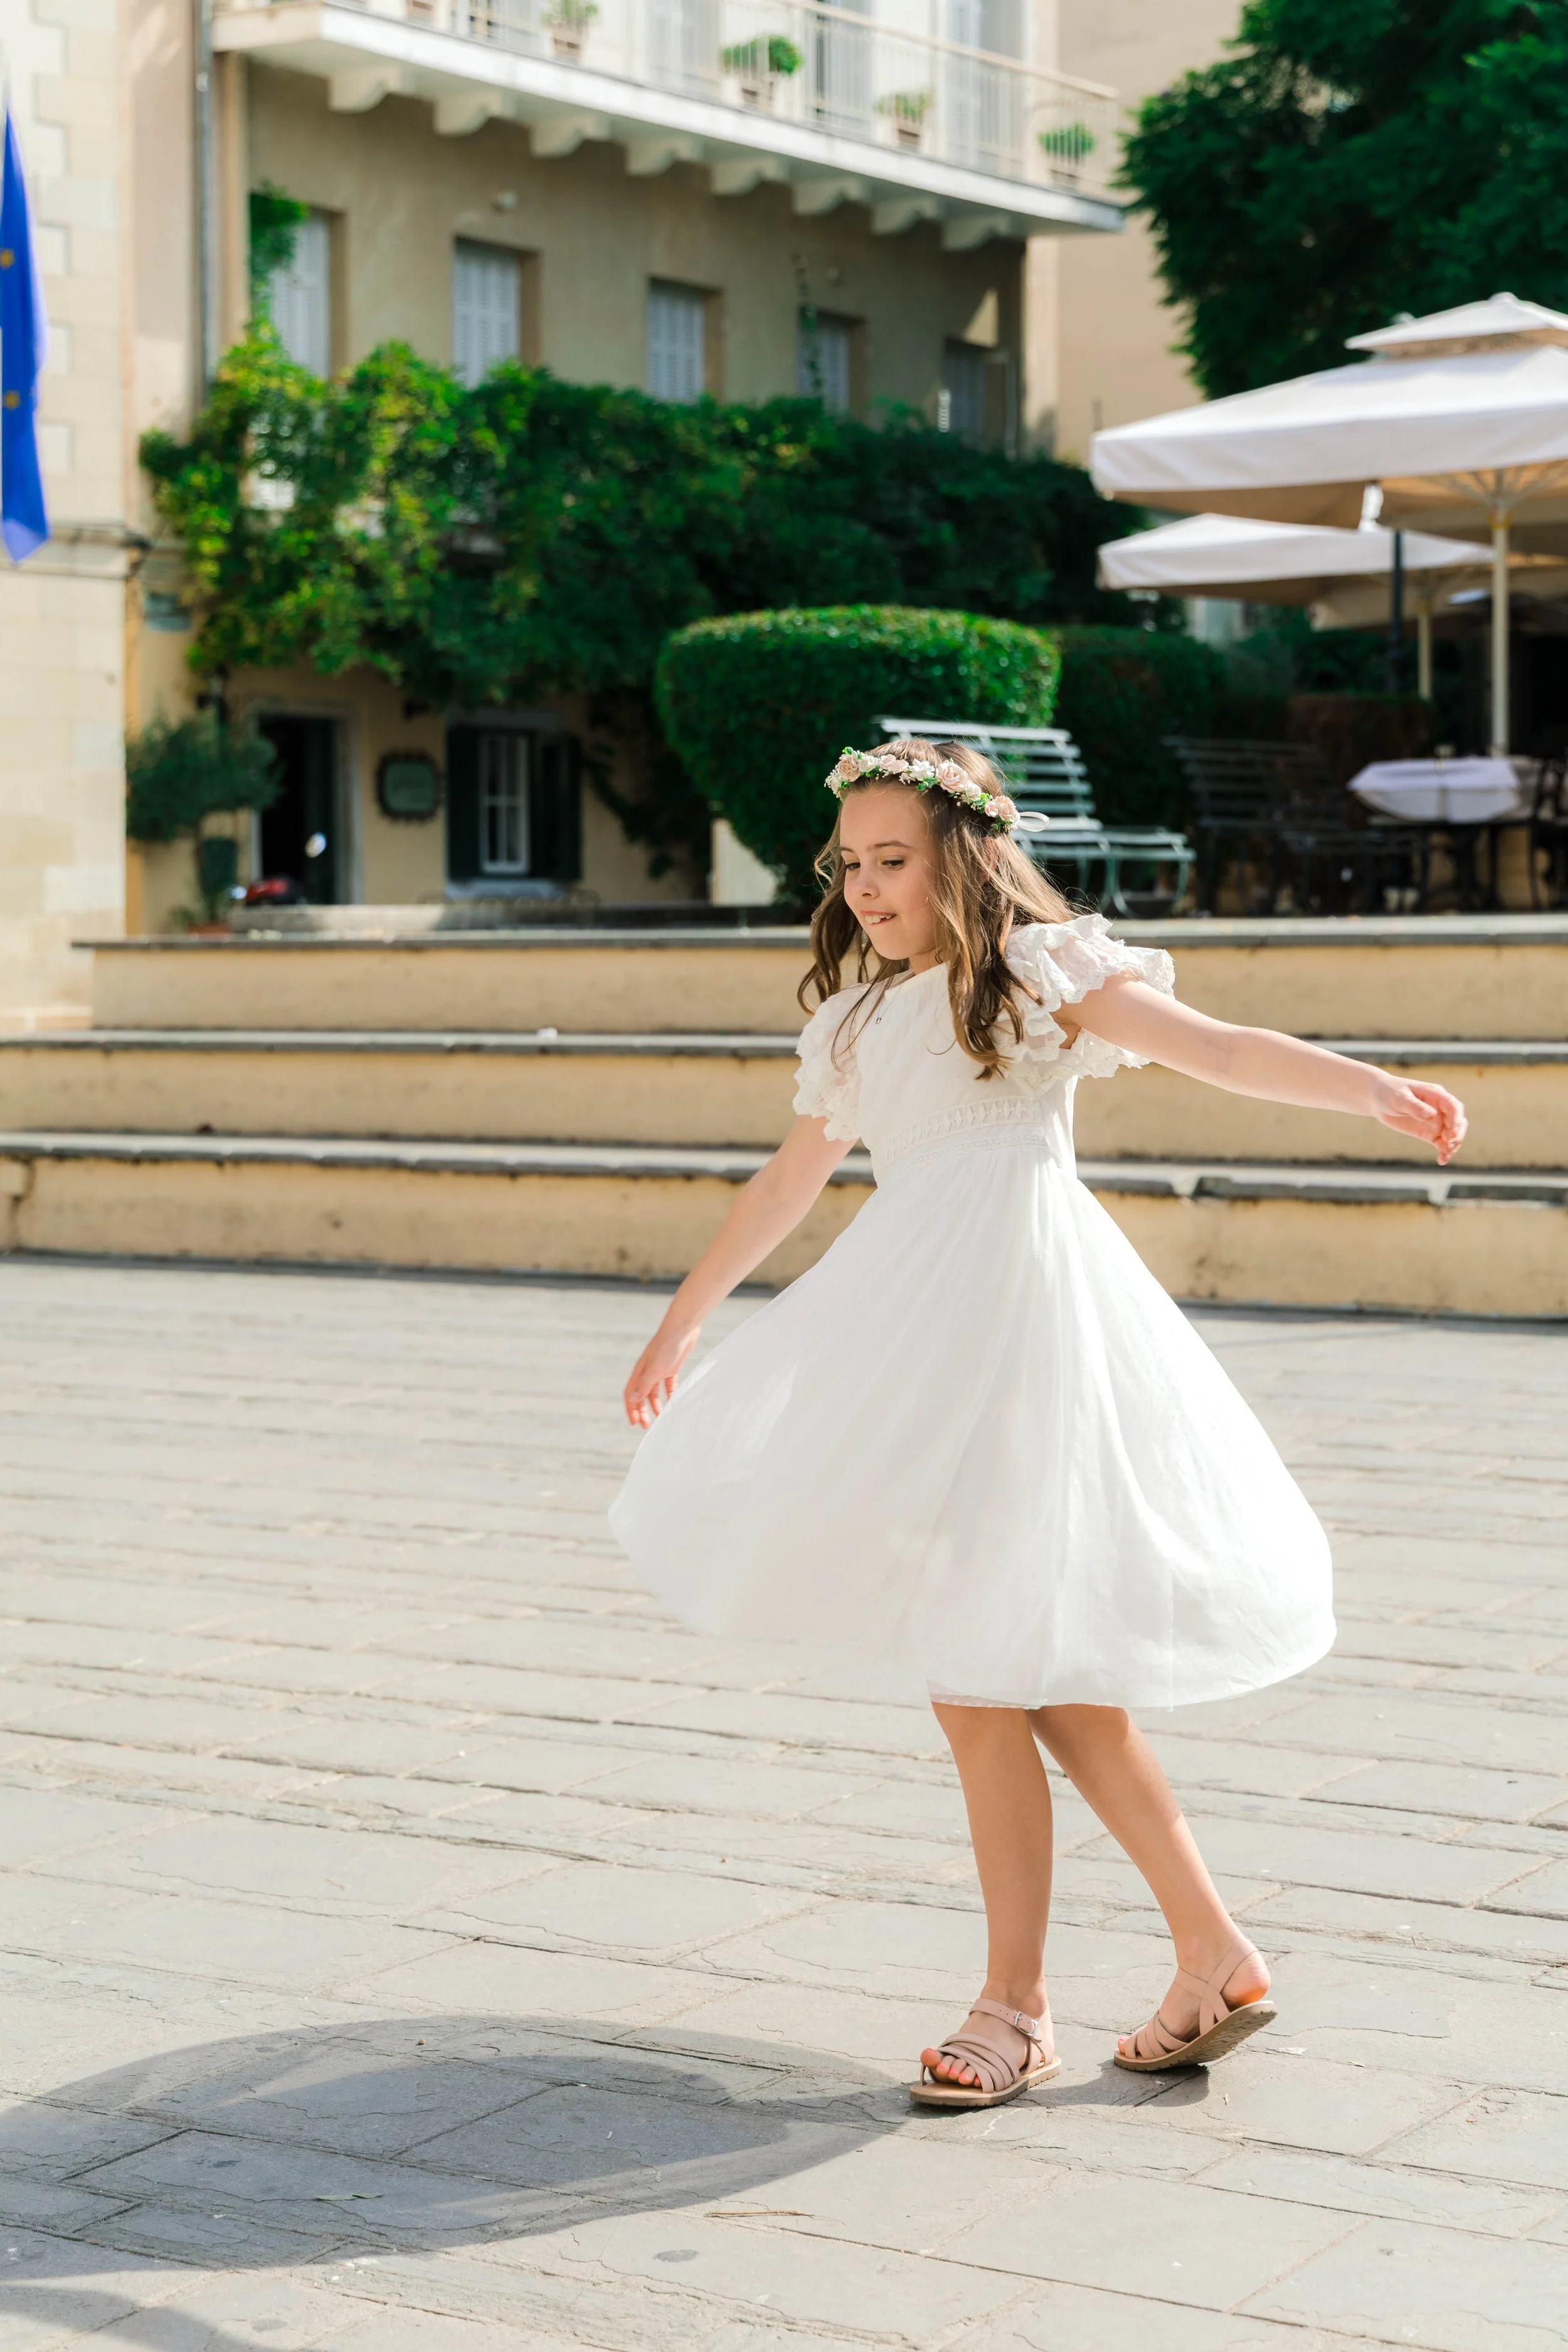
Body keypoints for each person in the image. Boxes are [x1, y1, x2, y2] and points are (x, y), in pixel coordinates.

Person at [611, 739, 1466, 2110]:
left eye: (894, 859)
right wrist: (684, 1316)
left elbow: (1214, 1050)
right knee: (1022, 1675)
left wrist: (1364, 1086)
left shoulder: (1034, 973)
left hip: (1022, 1326)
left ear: (962, 856)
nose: (869, 885)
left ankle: (1024, 2004)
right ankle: (1203, 1956)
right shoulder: (850, 1021)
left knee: (985, 1672)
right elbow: (790, 1179)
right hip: (913, 1331)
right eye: (851, 862)